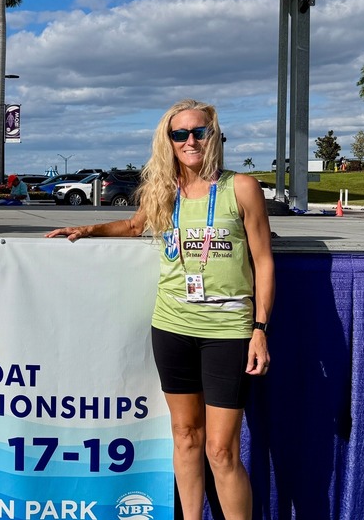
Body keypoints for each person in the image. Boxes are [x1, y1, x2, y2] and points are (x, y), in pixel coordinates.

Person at [46, 99, 273, 520]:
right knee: (186, 437)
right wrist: (88, 228)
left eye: (198, 132)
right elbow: (134, 225)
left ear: (213, 135)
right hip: (172, 326)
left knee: (221, 450)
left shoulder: (240, 187)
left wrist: (260, 328)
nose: (190, 141)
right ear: (167, 141)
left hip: (228, 330)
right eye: (179, 134)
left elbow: (263, 260)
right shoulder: (164, 192)